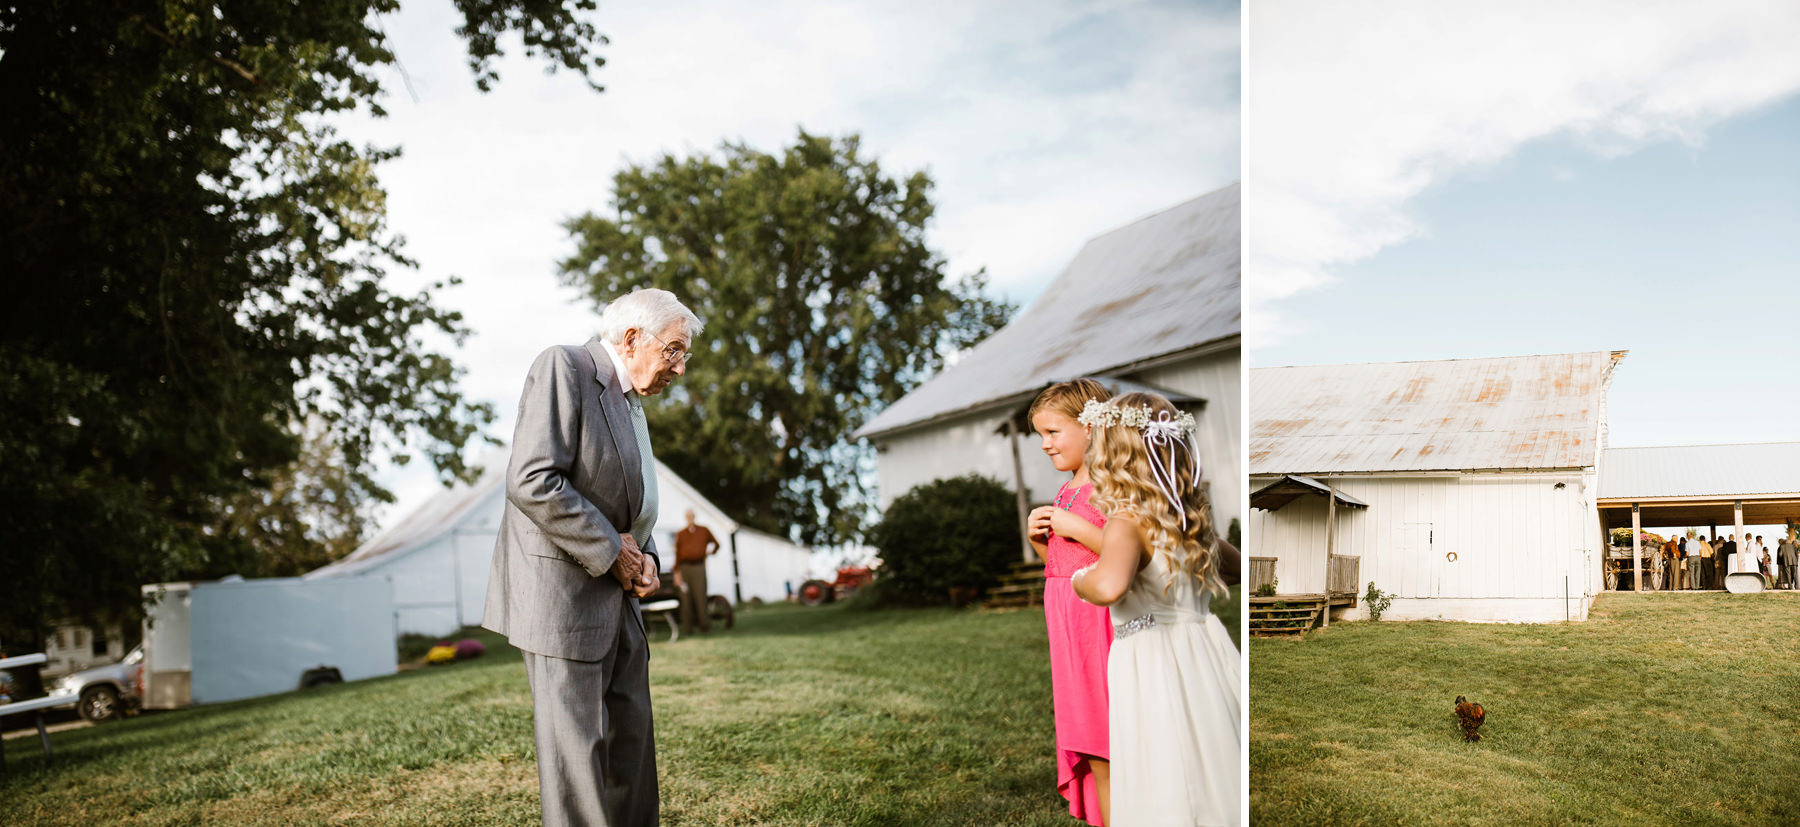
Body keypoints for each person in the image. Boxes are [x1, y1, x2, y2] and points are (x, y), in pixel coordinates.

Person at [483, 288, 699, 826]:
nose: (680, 366)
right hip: (563, 605)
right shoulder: (565, 366)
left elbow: (624, 500)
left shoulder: (629, 401)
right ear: (632, 339)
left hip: (618, 599)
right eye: (673, 350)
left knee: (632, 750)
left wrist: (645, 556)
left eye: (684, 355)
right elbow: (532, 480)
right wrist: (614, 551)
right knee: (577, 765)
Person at [1071, 392, 1240, 825]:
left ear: (1111, 454)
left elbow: (1109, 585)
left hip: (1152, 657)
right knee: (1208, 753)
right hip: (1203, 648)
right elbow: (1236, 567)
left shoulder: (1126, 522)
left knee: (1165, 759)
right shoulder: (1188, 520)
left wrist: (1080, 580)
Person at [1025, 379, 1114, 826]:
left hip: (1097, 622)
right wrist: (1039, 539)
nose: (1045, 445)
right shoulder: (1066, 489)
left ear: (1092, 426)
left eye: (1053, 432)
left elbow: (1122, 558)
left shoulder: (1110, 485)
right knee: (1084, 729)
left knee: (1105, 732)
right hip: (1065, 622)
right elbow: (1061, 568)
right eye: (1040, 435)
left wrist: (1074, 527)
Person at [673, 509, 720, 635]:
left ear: (694, 516)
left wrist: (709, 553)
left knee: (700, 597)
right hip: (684, 568)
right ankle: (688, 629)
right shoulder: (681, 534)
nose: (689, 518)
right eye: (687, 516)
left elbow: (716, 544)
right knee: (686, 599)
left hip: (698, 567)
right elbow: (677, 554)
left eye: (691, 516)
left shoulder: (704, 530)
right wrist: (677, 573)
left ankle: (705, 626)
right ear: (685, 518)